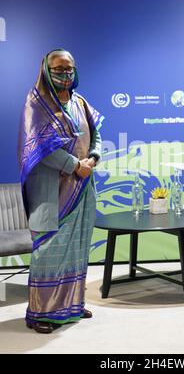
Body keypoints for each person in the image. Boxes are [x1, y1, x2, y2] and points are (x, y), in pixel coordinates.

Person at [18, 49, 104, 333]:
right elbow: (38, 148)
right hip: (51, 191)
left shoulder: (79, 101)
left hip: (82, 186)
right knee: (50, 250)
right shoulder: (36, 103)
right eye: (58, 69)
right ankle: (43, 313)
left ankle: (72, 305)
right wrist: (73, 165)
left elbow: (97, 132)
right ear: (46, 69)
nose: (65, 74)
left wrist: (93, 158)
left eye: (69, 68)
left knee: (78, 247)